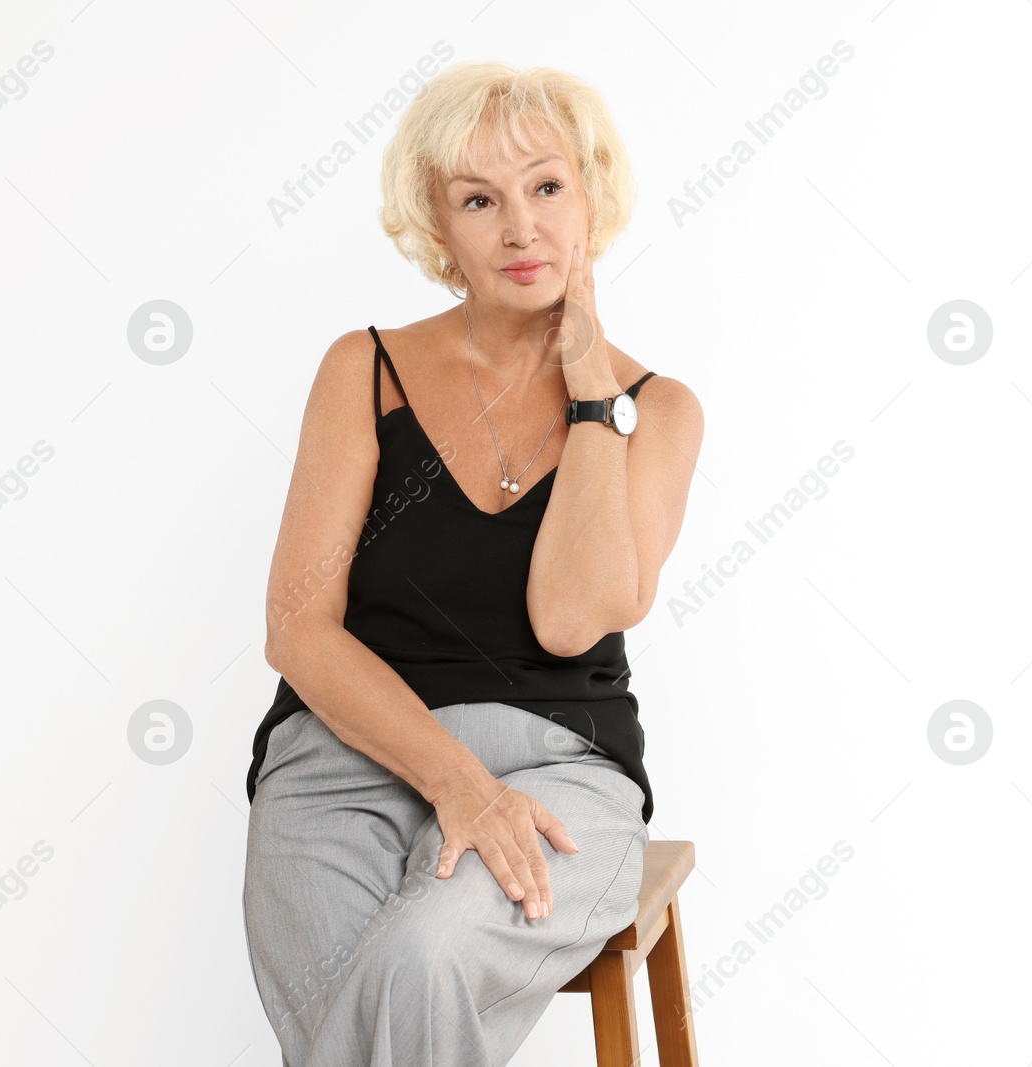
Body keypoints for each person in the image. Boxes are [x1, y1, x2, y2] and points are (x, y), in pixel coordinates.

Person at [240, 61, 702, 1067]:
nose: (520, 227)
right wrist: (458, 784)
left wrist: (589, 398)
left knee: (417, 955)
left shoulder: (656, 411)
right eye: (478, 200)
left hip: (563, 767)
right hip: (341, 759)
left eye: (545, 187)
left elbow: (570, 618)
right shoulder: (362, 370)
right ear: (439, 229)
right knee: (354, 980)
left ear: (591, 195)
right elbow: (299, 630)